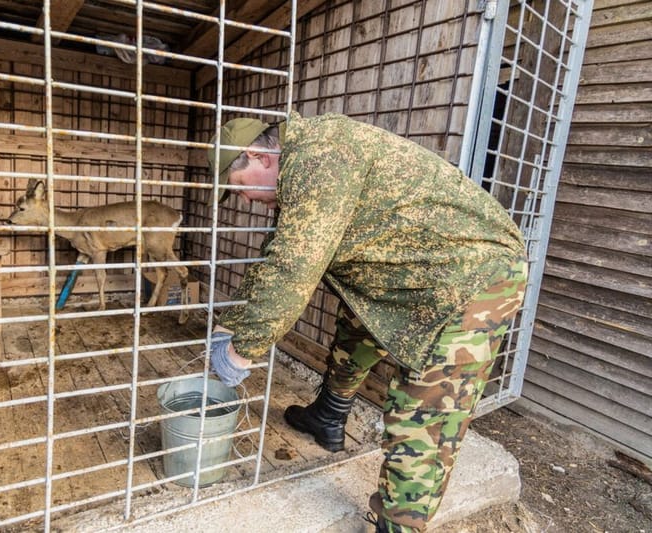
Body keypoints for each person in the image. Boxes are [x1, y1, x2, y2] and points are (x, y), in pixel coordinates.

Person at [205, 112, 527, 532]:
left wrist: (242, 349)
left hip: (473, 280)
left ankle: (396, 526)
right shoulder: (303, 165)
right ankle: (329, 415)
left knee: (423, 422)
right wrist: (231, 323)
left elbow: (292, 269)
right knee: (356, 327)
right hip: (412, 276)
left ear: (257, 156)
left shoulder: (320, 155)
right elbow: (277, 255)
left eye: (240, 188)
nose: (246, 201)